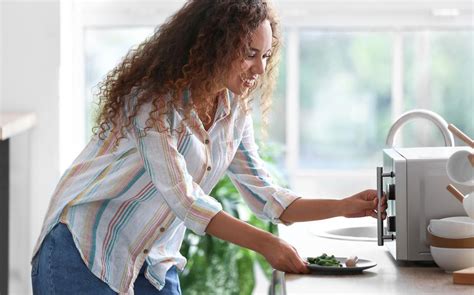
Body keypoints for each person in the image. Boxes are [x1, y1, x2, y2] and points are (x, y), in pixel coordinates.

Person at [31, 0, 387, 294]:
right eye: (250, 53)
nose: (259, 69)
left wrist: (343, 205)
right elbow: (185, 198)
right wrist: (266, 244)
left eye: (266, 56)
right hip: (85, 249)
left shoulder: (233, 112)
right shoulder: (152, 100)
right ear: (216, 43)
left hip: (153, 262)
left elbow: (266, 196)